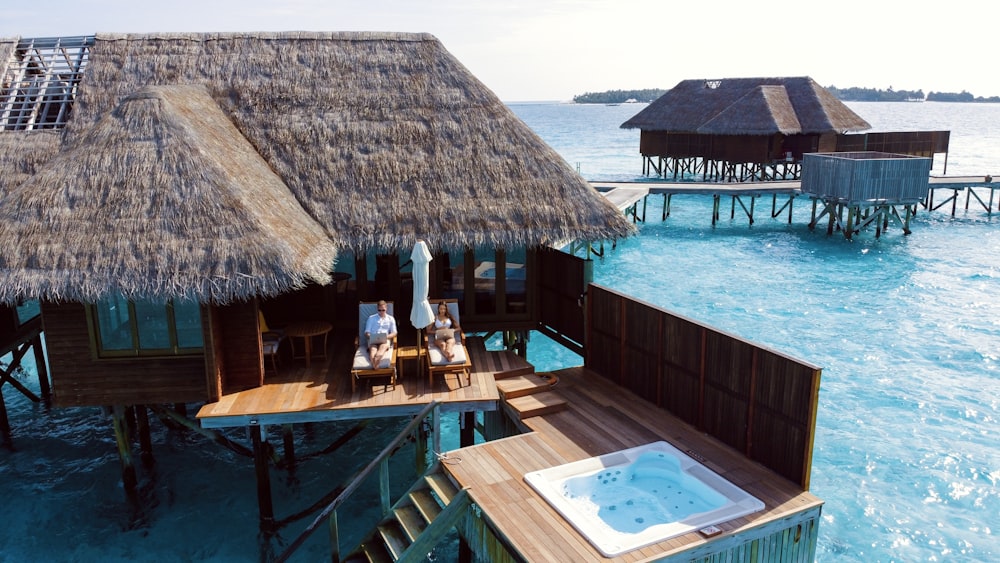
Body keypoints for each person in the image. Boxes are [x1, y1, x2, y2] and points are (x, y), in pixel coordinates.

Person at [364, 300, 397, 368]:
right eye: (379, 310)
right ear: (377, 309)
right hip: (373, 338)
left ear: (386, 308)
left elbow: (394, 332)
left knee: (382, 348)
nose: (381, 312)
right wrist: (371, 336)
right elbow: (367, 332)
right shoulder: (371, 318)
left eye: (383, 310)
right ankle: (376, 366)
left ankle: (374, 365)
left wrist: (386, 337)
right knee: (373, 350)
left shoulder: (391, 319)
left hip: (385, 339)